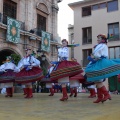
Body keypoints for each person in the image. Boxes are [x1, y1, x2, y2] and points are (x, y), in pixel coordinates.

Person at [85, 34, 120, 103]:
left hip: (100, 63)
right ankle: (100, 97)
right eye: (97, 38)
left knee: (97, 79)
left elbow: (97, 55)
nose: (97, 39)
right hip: (100, 62)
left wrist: (92, 57)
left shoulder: (101, 45)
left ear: (103, 40)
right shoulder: (102, 46)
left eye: (99, 38)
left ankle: (106, 95)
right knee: (97, 81)